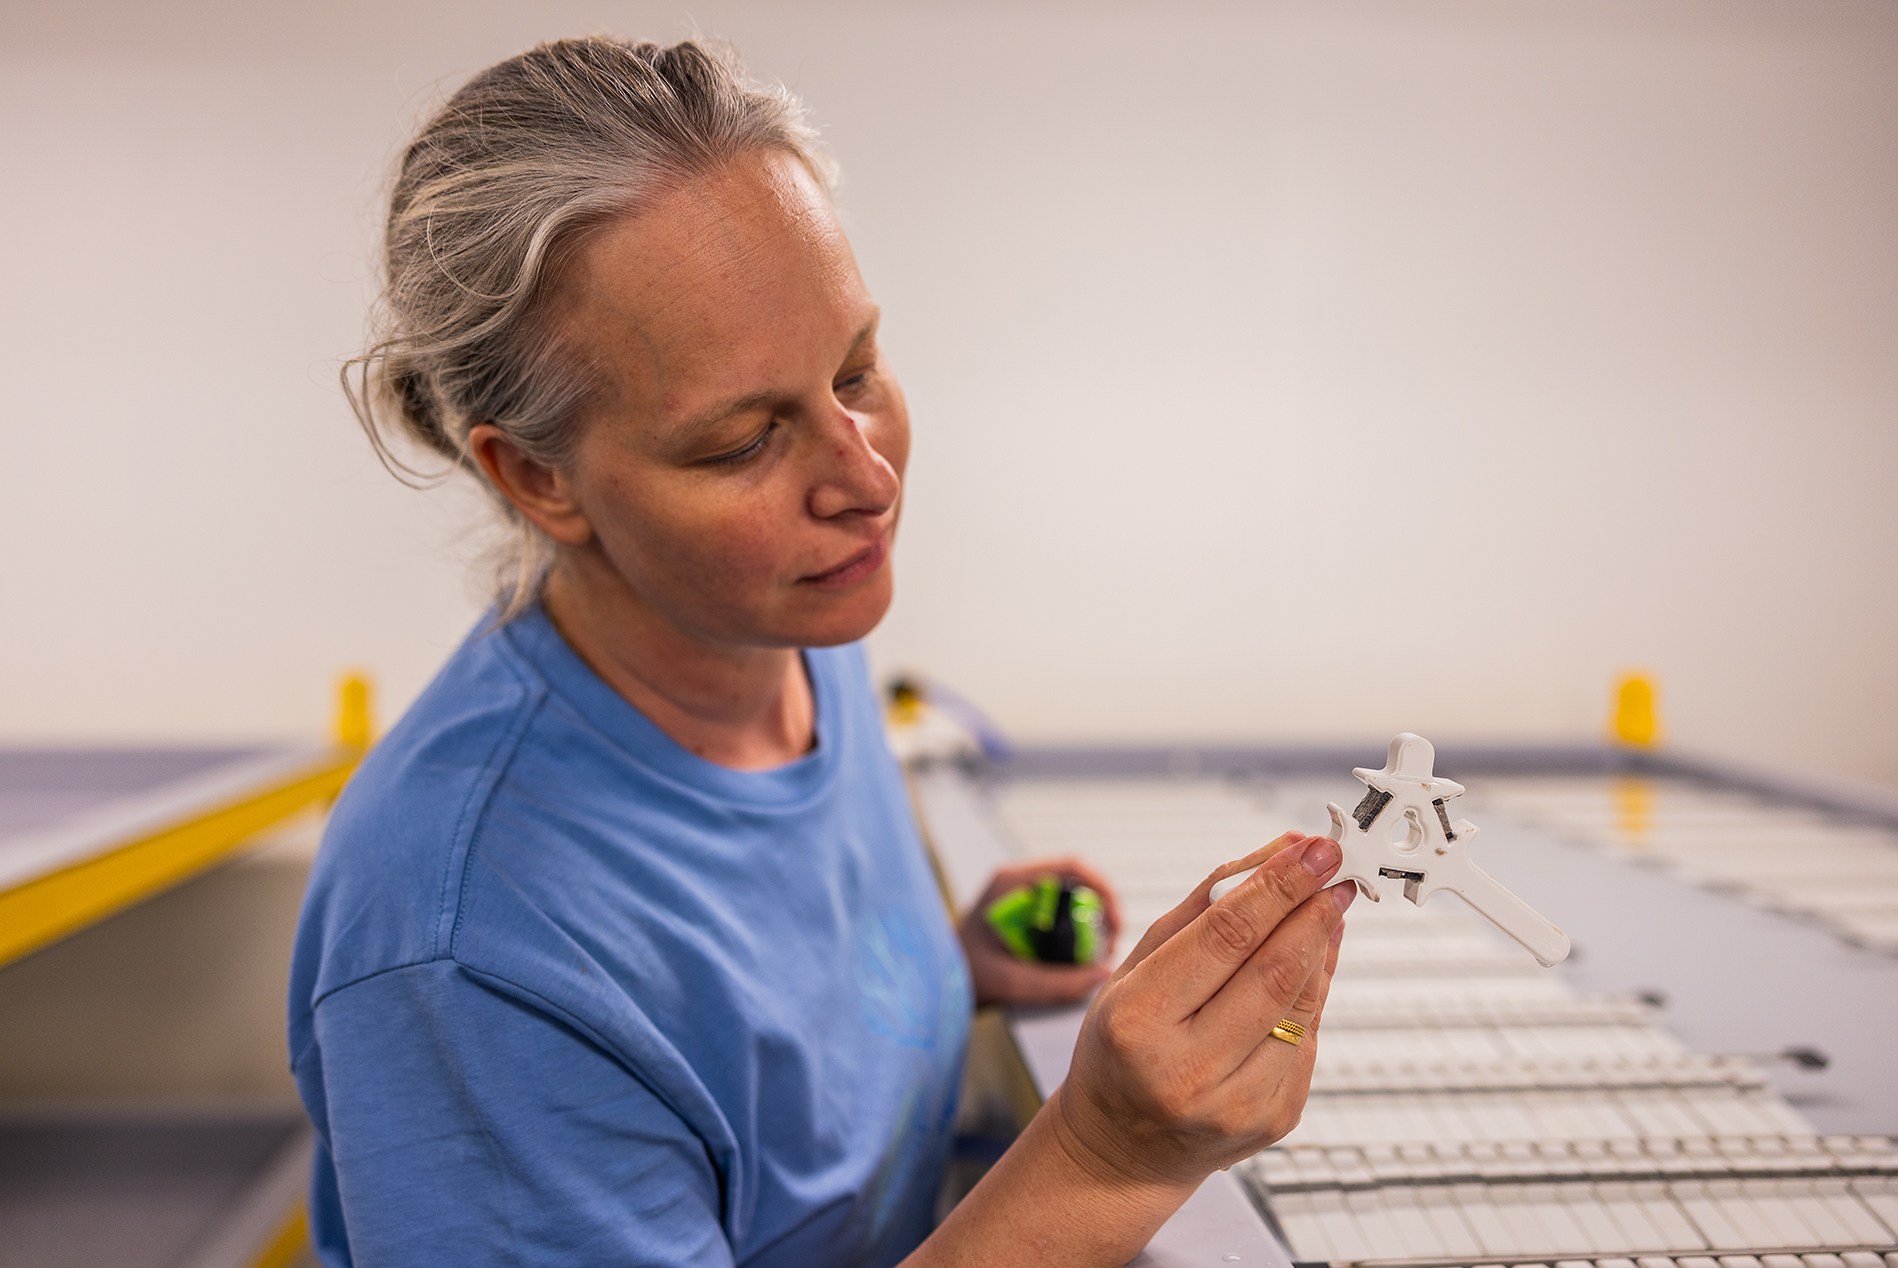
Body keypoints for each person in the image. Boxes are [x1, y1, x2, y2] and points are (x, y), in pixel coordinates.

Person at [287, 35, 1354, 1268]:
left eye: (857, 369)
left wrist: (938, 975)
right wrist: (1107, 1159)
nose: (868, 474)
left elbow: (741, 1028)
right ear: (537, 476)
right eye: (744, 440)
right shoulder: (472, 952)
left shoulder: (786, 626)